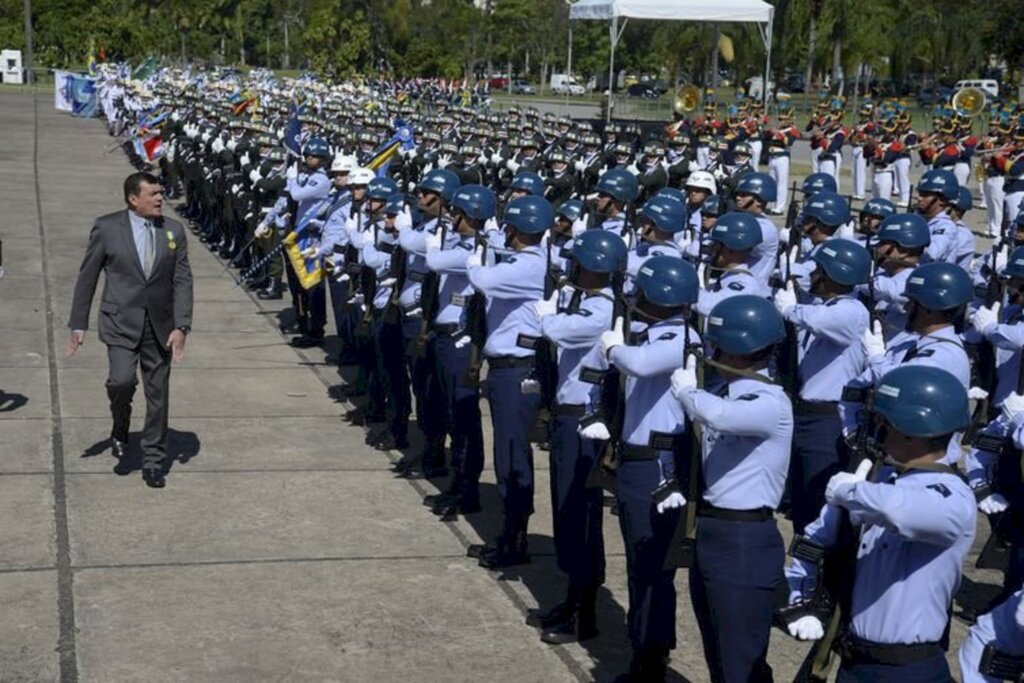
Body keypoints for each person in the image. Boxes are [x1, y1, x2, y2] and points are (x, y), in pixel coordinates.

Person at [785, 365, 975, 682]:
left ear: (910, 430)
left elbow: (904, 510)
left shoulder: (953, 497)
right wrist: (801, 603)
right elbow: (814, 540)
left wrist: (851, 491)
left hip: (910, 671)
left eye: (883, 423)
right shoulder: (877, 482)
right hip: (852, 661)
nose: (876, 429)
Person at [672, 294, 792, 682]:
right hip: (714, 531)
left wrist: (688, 391)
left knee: (740, 658)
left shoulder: (769, 401)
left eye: (716, 345)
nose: (710, 352)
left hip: (744, 539)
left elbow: (722, 418)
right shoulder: (724, 393)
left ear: (735, 349)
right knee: (719, 654)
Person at [529, 229, 628, 645]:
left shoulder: (601, 310)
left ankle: (583, 612)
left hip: (584, 424)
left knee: (579, 516)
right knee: (567, 515)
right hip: (568, 417)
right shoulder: (586, 301)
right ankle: (573, 598)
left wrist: (546, 314)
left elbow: (556, 333)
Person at [67, 171, 194, 489]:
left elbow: (182, 281)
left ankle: (153, 460)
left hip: (160, 325)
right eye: (152, 194)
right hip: (120, 322)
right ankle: (120, 424)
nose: (160, 198)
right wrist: (78, 323)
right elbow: (88, 276)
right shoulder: (108, 228)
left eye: (161, 193)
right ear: (132, 199)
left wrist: (182, 325)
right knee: (121, 382)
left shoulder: (174, 230)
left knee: (158, 395)